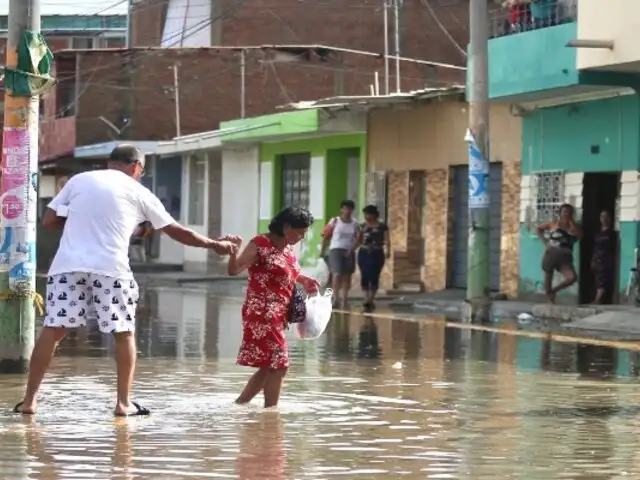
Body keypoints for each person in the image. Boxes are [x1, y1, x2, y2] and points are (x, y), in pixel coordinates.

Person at [13, 144, 240, 417]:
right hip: (111, 269)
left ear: (111, 163)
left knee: (53, 329)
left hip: (67, 267)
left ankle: (29, 401)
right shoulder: (139, 191)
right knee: (123, 333)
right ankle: (123, 403)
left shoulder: (79, 180)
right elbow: (175, 231)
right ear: (137, 167)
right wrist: (214, 245)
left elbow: (49, 219)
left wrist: (81, 222)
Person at [227, 206, 319, 408]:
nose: (302, 237)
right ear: (286, 227)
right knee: (280, 365)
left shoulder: (287, 247)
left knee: (269, 365)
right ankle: (271, 413)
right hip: (261, 312)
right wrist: (233, 252)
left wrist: (303, 279)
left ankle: (240, 405)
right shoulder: (260, 244)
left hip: (279, 314)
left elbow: (288, 273)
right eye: (300, 232)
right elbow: (234, 270)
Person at [536, 203, 582, 303]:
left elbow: (579, 235)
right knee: (548, 282)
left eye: (569, 212)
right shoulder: (553, 224)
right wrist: (545, 242)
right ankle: (550, 300)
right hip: (552, 253)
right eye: (564, 211)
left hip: (565, 258)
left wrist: (571, 222)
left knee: (572, 277)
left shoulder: (574, 227)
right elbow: (539, 229)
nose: (566, 214)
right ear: (560, 213)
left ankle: (554, 291)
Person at [321, 200, 358, 308]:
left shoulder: (355, 223)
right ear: (341, 209)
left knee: (347, 276)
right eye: (345, 208)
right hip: (335, 250)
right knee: (337, 274)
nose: (347, 211)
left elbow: (359, 237)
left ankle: (345, 299)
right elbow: (325, 235)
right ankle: (336, 298)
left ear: (352, 210)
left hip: (349, 250)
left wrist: (352, 249)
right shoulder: (335, 221)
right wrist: (322, 250)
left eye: (350, 209)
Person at [355, 205, 390, 309]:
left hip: (377, 252)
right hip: (364, 252)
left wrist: (388, 250)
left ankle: (371, 299)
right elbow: (358, 240)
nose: (367, 216)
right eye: (365, 214)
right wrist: (351, 249)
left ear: (375, 214)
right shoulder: (362, 226)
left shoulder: (382, 226)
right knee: (365, 274)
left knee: (374, 275)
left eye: (369, 214)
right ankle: (366, 298)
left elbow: (387, 239)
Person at [591, 210, 617, 304]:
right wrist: (593, 259)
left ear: (610, 219)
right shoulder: (598, 234)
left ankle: (598, 299)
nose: (604, 219)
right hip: (598, 258)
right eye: (602, 216)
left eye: (606, 216)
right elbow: (595, 247)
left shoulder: (612, 233)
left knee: (604, 279)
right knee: (598, 279)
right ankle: (598, 299)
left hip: (607, 259)